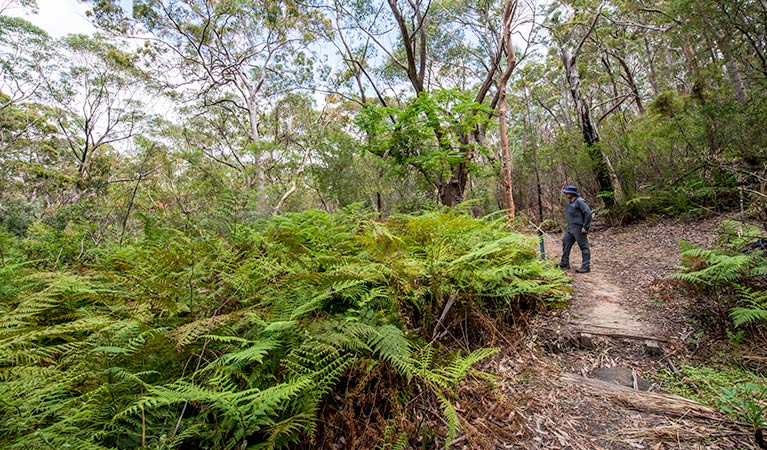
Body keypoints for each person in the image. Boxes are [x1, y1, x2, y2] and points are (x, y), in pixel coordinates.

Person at [559, 185, 592, 273]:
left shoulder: (580, 202)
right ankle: (564, 263)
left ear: (572, 193)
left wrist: (585, 226)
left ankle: (586, 266)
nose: (566, 194)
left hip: (579, 228)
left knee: (584, 246)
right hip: (570, 228)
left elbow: (588, 213)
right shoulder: (571, 202)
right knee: (566, 242)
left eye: (567, 192)